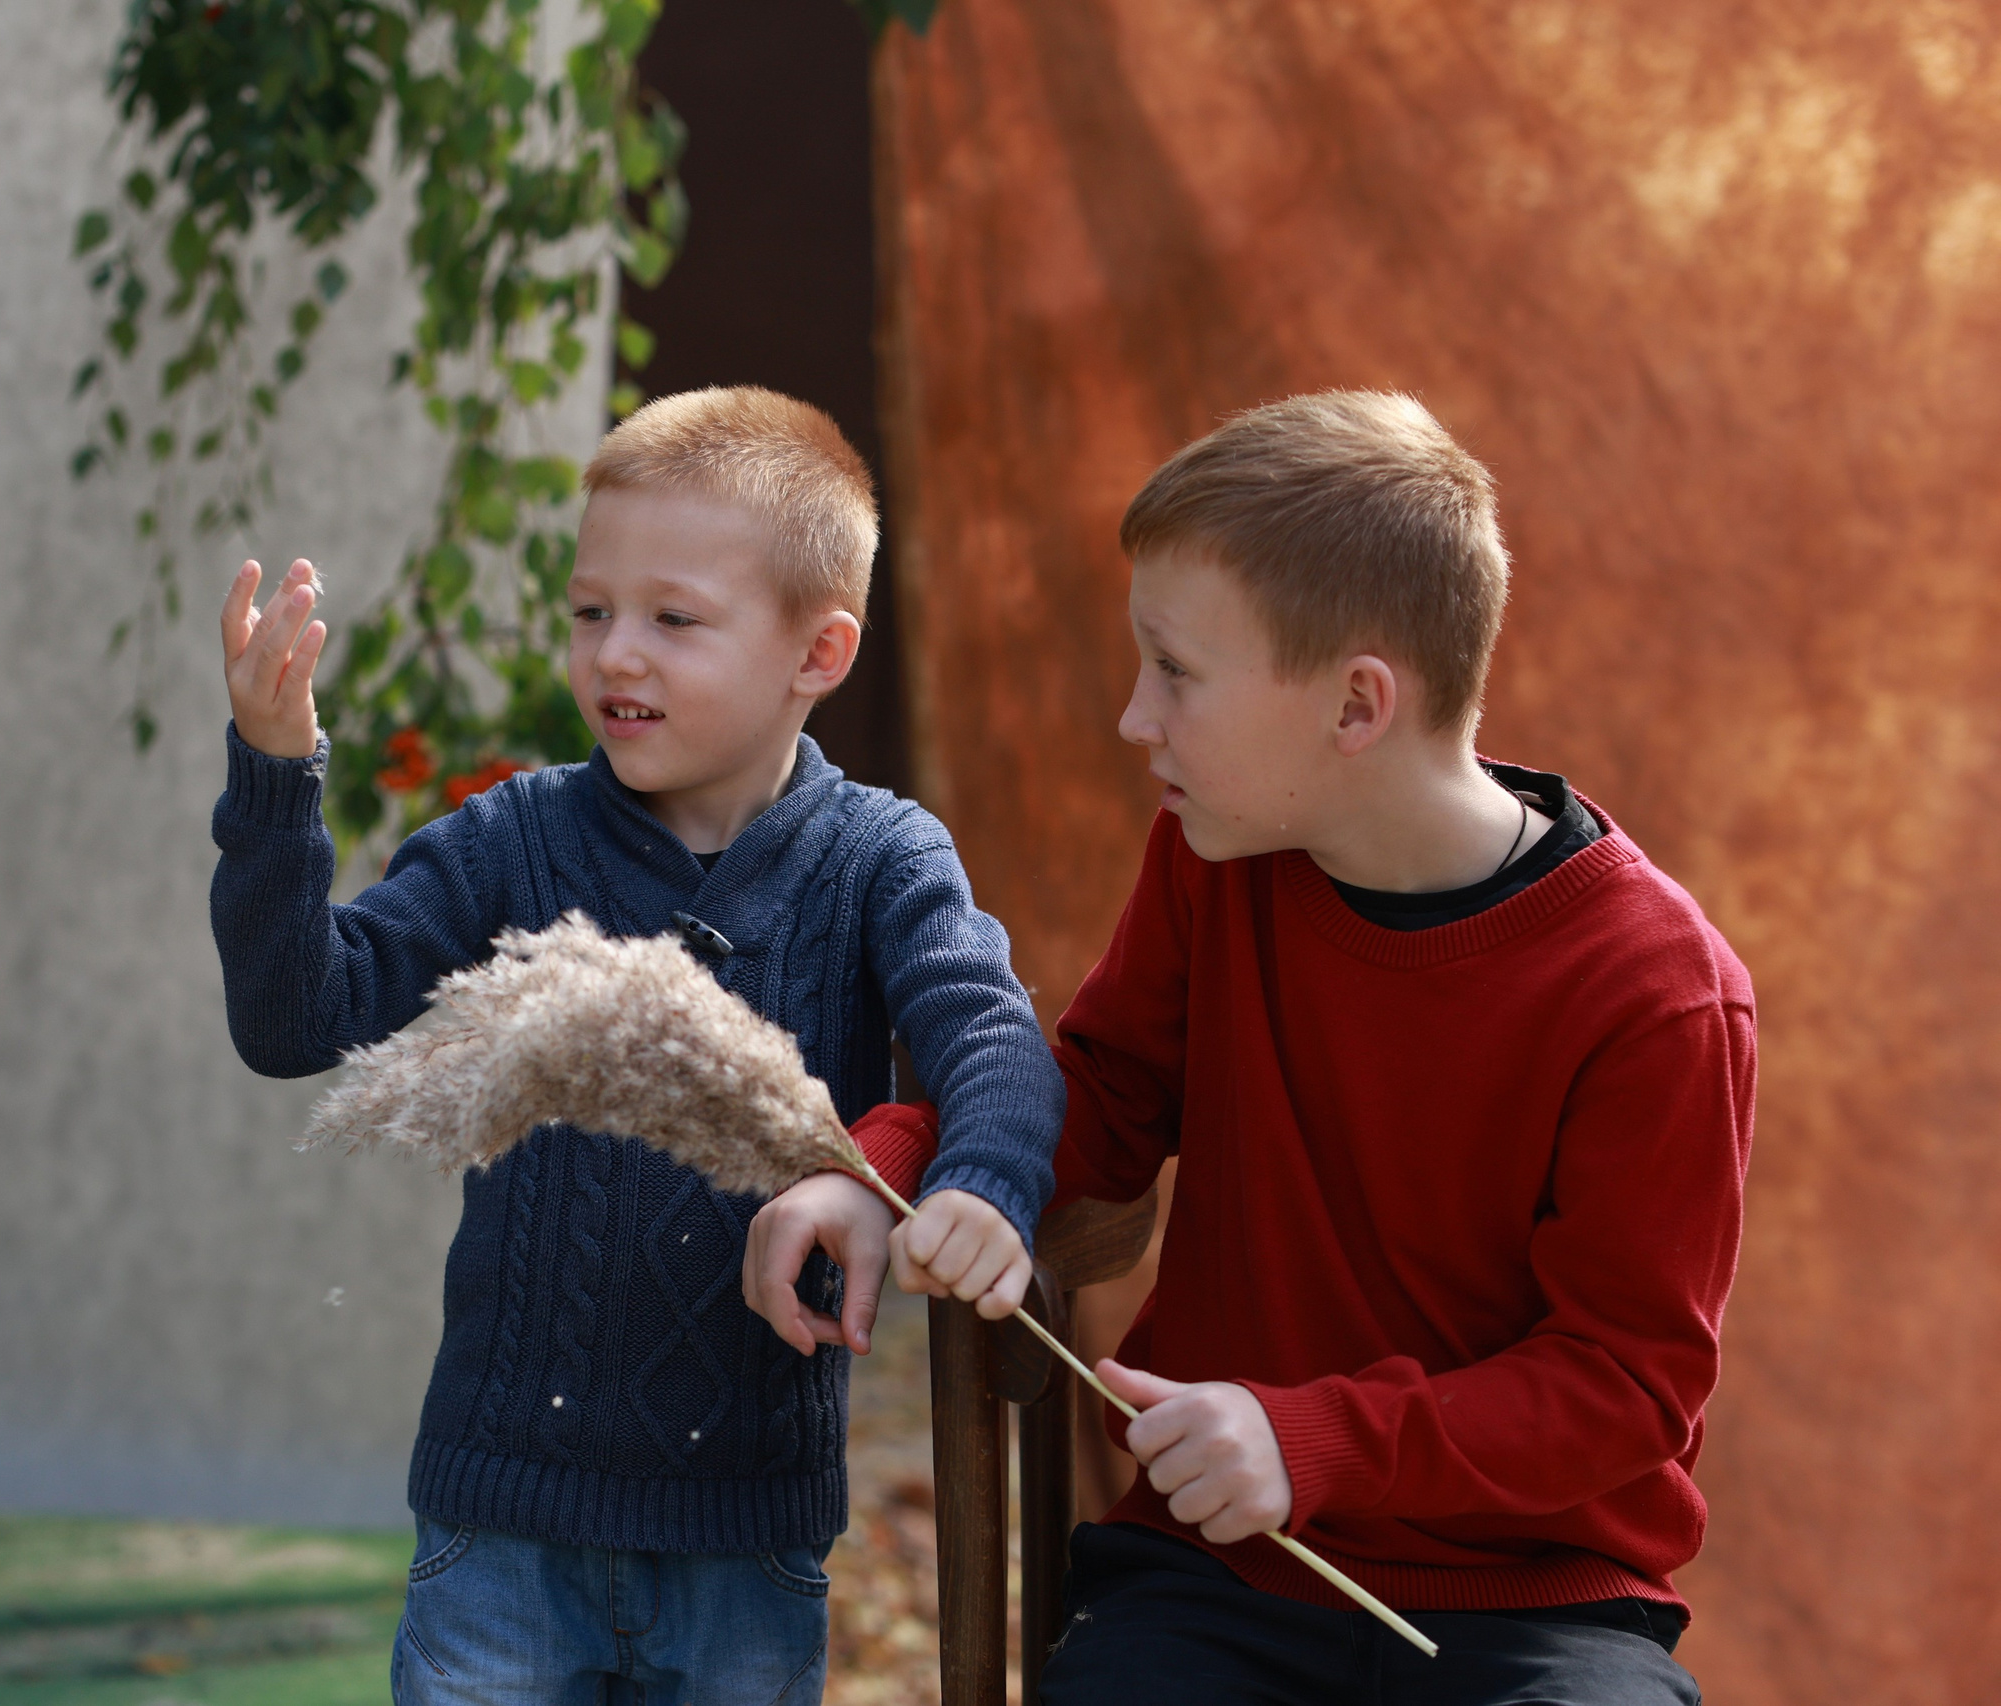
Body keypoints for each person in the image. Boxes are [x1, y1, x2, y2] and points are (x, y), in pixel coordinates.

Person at [746, 392, 1754, 1704]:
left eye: (1175, 670)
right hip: (1214, 1580)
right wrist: (880, 1172)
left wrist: (1310, 1438)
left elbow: (1623, 1386)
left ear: (1356, 705)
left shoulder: (1661, 994)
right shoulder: (1216, 853)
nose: (1135, 717)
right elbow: (1096, 1097)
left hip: (1537, 1606)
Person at [211, 386, 1061, 1706]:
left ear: (819, 651)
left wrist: (984, 1188)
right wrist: (277, 778)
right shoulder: (518, 839)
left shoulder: (878, 859)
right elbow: (300, 1018)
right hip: (504, 1526)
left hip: (744, 1540)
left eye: (674, 620)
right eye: (589, 612)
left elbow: (990, 1032)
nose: (616, 655)